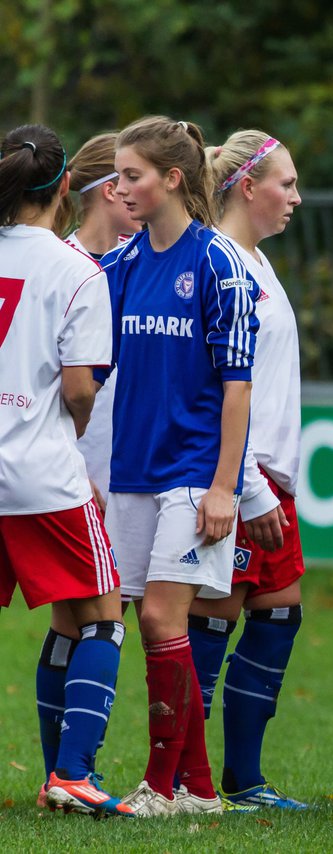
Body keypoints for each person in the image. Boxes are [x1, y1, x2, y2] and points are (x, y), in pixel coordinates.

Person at [96, 116, 261, 817]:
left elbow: (238, 385)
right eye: (116, 175)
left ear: (172, 178)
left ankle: (159, 787)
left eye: (131, 174)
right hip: (132, 471)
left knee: (166, 618)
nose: (119, 186)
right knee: (152, 625)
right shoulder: (123, 265)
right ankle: (197, 786)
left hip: (193, 474)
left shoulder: (217, 262)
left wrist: (225, 487)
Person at [0, 124, 132, 817]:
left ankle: (60, 773)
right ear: (63, 190)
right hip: (39, 473)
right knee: (102, 616)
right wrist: (73, 434)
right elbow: (80, 389)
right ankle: (71, 773)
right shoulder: (76, 271)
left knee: (70, 618)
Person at [183, 130, 306, 811]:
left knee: (278, 610)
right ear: (248, 187)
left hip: (269, 483)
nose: (295, 196)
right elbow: (222, 386)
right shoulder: (224, 262)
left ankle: (244, 780)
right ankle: (181, 778)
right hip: (238, 482)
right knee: (214, 616)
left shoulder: (255, 261)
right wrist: (246, 486)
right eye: (285, 184)